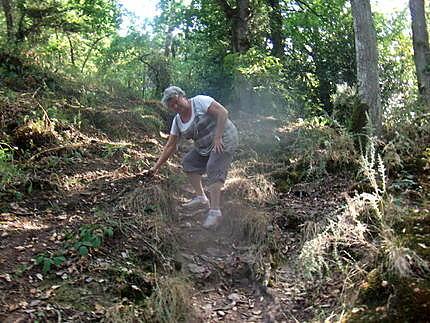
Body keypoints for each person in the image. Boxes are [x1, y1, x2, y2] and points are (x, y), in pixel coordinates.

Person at [150, 86, 238, 228]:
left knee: (213, 167)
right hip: (204, 147)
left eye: (176, 102)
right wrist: (155, 168)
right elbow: (170, 146)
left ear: (182, 96)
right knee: (189, 162)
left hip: (224, 138)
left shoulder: (200, 102)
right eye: (172, 106)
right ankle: (202, 198)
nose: (176, 106)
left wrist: (218, 137)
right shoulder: (177, 121)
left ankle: (215, 212)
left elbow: (223, 112)